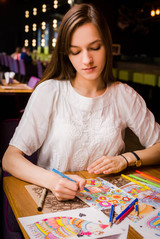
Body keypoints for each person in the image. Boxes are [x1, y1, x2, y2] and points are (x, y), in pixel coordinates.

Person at [2, 4, 160, 201]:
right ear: (66, 54)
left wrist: (126, 159)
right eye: (75, 51)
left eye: (95, 48)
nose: (87, 59)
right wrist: (52, 181)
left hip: (107, 200)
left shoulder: (123, 95)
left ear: (108, 45)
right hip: (55, 201)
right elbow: (9, 159)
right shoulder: (50, 91)